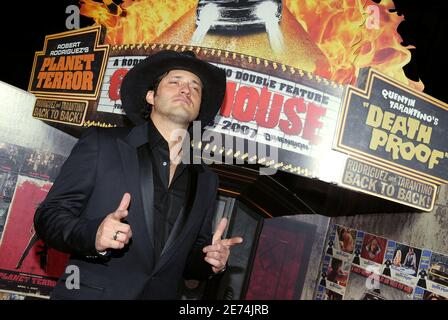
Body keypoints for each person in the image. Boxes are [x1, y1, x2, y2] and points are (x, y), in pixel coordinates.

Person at [34, 50, 243, 299]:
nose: (186, 90)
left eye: (195, 87)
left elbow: (187, 257)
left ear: (198, 111)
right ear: (151, 96)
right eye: (175, 81)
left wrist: (210, 261)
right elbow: (49, 216)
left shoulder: (206, 179)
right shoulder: (103, 144)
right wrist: (94, 235)